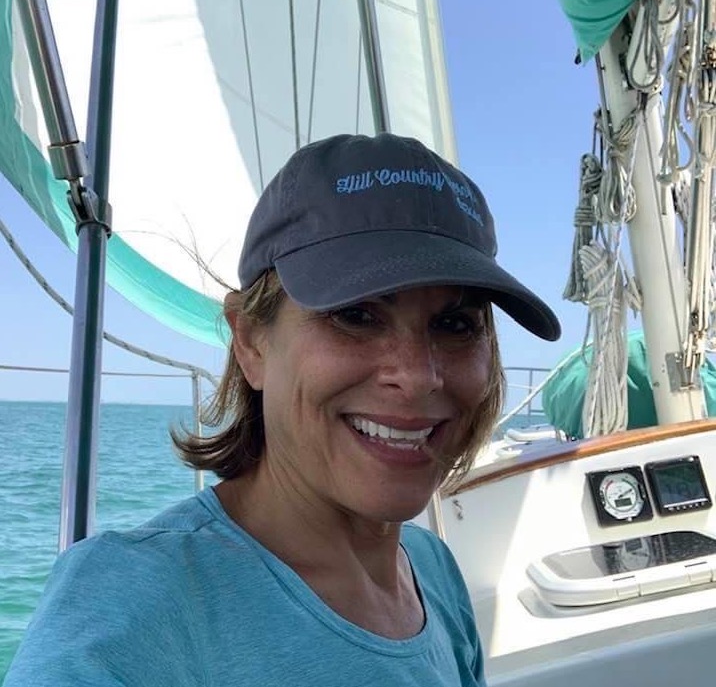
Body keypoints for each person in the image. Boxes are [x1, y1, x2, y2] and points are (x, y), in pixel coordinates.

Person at [4, 133, 560, 686]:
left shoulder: (433, 568)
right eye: (357, 315)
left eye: (456, 324)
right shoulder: (131, 603)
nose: (417, 377)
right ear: (250, 343)